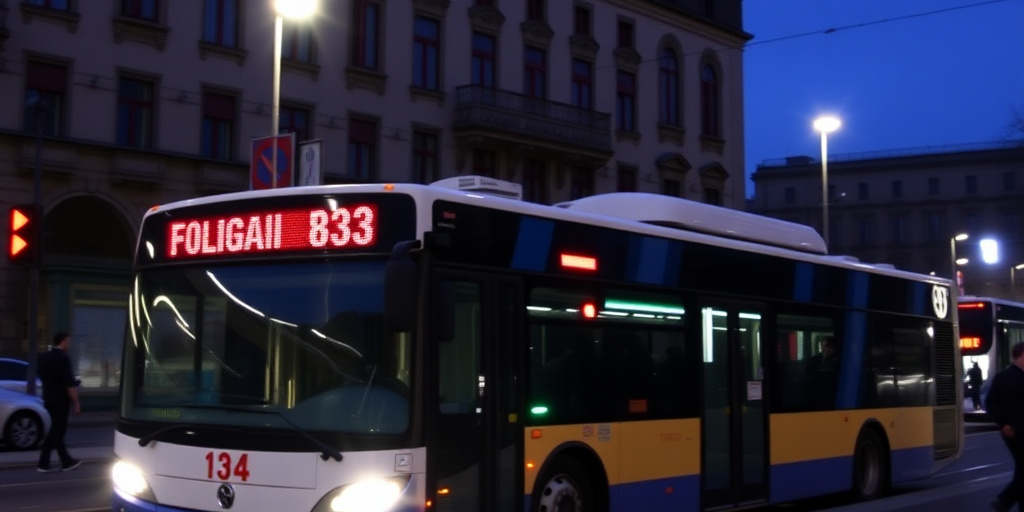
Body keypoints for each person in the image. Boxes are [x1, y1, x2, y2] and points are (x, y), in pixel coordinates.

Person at [986, 342, 1024, 511]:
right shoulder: (1006, 378)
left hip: (1011, 431)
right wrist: (1004, 423)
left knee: (1022, 468)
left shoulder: (1002, 377)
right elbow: (991, 403)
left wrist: (1003, 424)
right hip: (1017, 432)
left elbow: (991, 402)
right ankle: (1004, 500)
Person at [36, 332, 81, 473]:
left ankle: (66, 461)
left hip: (48, 398)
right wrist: (76, 403)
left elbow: (46, 377)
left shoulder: (44, 358)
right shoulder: (63, 359)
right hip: (61, 400)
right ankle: (44, 463)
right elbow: (68, 384)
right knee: (57, 431)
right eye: (68, 341)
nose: (69, 344)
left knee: (56, 430)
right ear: (62, 342)